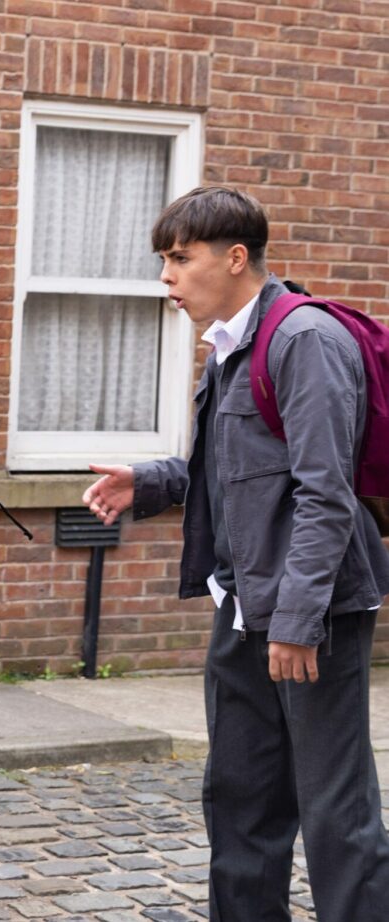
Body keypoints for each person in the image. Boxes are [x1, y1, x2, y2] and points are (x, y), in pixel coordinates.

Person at [83, 186, 389, 921]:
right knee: (242, 805)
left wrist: (296, 620)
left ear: (236, 257)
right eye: (165, 260)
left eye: (180, 259)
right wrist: (149, 481)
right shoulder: (228, 348)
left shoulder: (304, 340)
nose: (167, 278)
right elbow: (232, 473)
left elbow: (325, 494)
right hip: (244, 606)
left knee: (334, 813)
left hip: (309, 615)